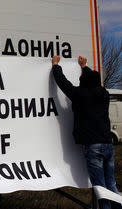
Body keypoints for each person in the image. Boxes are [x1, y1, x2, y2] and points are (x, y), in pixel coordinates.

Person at [52, 55, 121, 209]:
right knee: (111, 184)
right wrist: (84, 67)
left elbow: (63, 83)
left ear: (83, 82)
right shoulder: (104, 94)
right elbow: (92, 80)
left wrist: (56, 65)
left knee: (100, 188)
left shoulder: (79, 95)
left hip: (93, 146)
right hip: (108, 144)